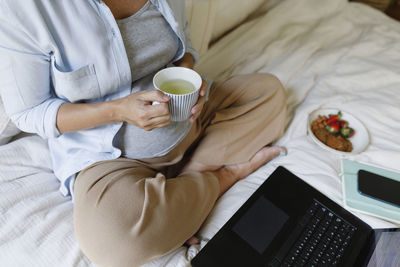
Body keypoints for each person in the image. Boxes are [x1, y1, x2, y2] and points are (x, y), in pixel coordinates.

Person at [0, 0, 287, 266]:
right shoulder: (24, 9)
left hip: (188, 122)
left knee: (268, 92)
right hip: (111, 159)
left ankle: (192, 175)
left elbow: (184, 50)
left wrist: (189, 80)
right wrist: (117, 110)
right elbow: (29, 112)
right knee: (113, 241)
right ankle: (221, 177)